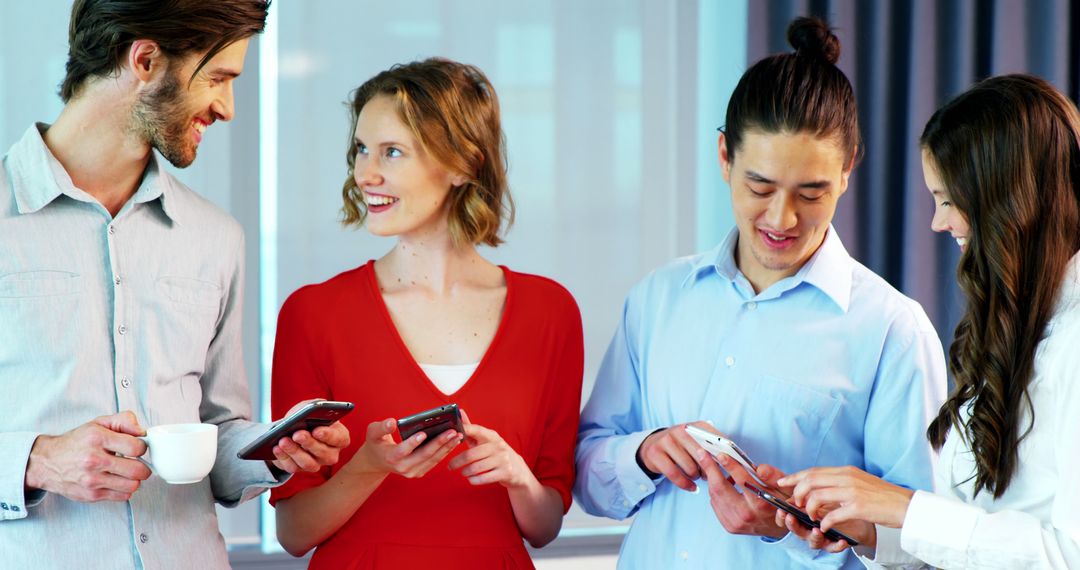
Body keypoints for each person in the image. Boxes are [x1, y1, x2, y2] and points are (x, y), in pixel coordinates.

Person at [573, 17, 948, 568]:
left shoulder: (892, 330)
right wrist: (645, 452)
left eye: (811, 192)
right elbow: (586, 477)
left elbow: (923, 545)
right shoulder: (658, 299)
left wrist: (788, 527)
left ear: (847, 172)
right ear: (724, 157)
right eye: (760, 186)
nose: (781, 217)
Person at [0, 1, 350, 568]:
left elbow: (217, 432)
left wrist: (277, 449)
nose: (228, 108)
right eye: (217, 78)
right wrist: (35, 462)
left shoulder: (216, 237)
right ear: (144, 60)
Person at [269, 57, 585, 569]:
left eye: (392, 152)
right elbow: (294, 532)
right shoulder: (313, 314)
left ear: (463, 164)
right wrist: (370, 467)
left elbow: (545, 526)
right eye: (361, 150)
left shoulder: (552, 313)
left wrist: (517, 476)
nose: (365, 173)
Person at [778, 74, 1080, 568]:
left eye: (946, 200)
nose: (938, 223)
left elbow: (1069, 554)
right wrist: (872, 531)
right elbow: (973, 534)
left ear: (1003, 198)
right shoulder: (1014, 327)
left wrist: (906, 509)